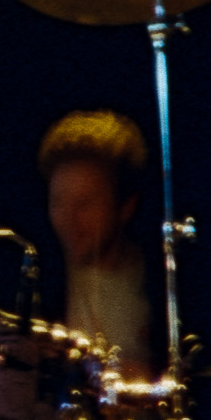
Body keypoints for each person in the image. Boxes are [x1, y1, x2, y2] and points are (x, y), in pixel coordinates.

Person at [37, 109, 153, 375]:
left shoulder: (158, 286)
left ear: (125, 207)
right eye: (58, 203)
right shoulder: (38, 287)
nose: (69, 219)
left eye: (85, 204)